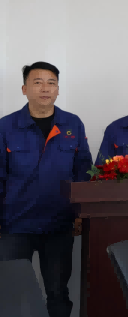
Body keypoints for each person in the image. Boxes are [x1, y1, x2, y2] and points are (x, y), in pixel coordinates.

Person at [0, 62, 93, 317]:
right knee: (11, 293)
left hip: (59, 225)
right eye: (38, 82)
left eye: (51, 83)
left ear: (58, 89)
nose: (45, 88)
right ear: (24, 89)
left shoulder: (72, 124)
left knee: (58, 293)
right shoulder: (6, 127)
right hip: (15, 226)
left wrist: (80, 213)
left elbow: (83, 172)